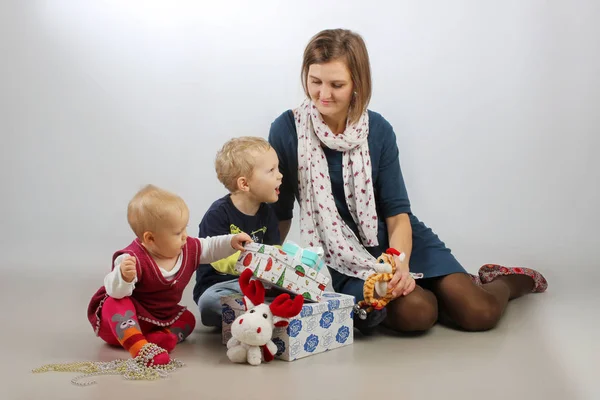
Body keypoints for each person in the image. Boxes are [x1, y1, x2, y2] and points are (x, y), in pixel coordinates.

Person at [268, 28, 548, 335]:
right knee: (418, 314)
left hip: (396, 240)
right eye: (315, 81)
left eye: (337, 84)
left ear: (357, 84)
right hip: (337, 257)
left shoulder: (379, 130)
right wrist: (266, 268)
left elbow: (397, 212)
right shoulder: (287, 130)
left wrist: (399, 264)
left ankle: (501, 280)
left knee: (478, 312)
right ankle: (434, 292)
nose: (323, 94)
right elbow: (280, 211)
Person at [87, 184, 252, 365]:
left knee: (187, 319)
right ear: (150, 239)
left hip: (160, 319)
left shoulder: (187, 248)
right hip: (124, 323)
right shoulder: (132, 259)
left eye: (185, 229)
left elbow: (210, 246)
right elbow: (115, 291)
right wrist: (124, 277)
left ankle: (157, 339)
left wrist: (231, 241)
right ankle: (139, 347)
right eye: (177, 232)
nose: (184, 236)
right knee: (114, 302)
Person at [193, 137, 283, 328]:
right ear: (244, 184)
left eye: (278, 169)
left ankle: (256, 316)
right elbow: (218, 260)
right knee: (208, 302)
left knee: (288, 290)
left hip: (255, 285)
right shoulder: (217, 214)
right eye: (271, 170)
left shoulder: (268, 213)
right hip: (221, 285)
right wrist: (258, 265)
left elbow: (274, 252)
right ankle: (263, 316)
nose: (280, 175)